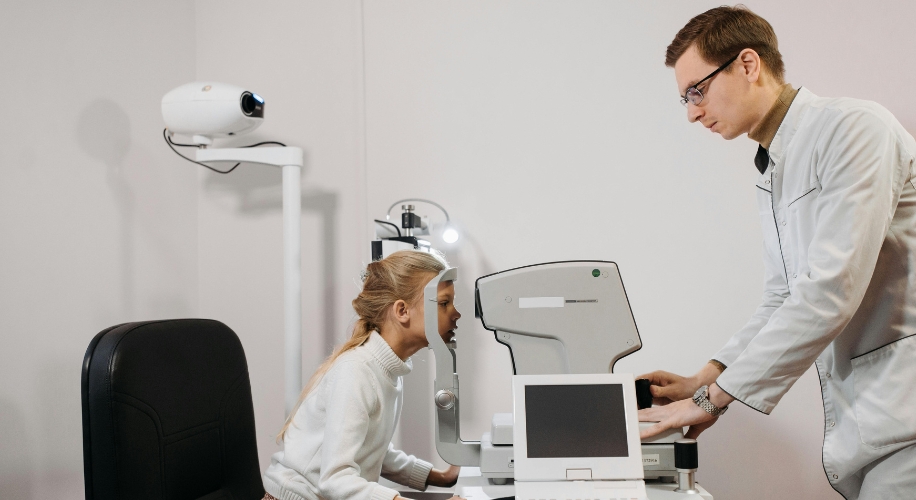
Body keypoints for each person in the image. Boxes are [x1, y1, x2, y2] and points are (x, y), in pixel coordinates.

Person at [638, 6, 916, 499]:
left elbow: (830, 291)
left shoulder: (853, 129)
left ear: (748, 64)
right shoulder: (774, 168)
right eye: (685, 99)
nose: (692, 113)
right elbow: (782, 297)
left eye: (696, 91)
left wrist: (708, 400)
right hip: (871, 424)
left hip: (906, 416)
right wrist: (704, 378)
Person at [262, 250, 464, 500]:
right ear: (402, 311)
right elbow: (335, 479)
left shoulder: (387, 369)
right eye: (444, 303)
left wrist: (441, 477)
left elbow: (372, 450)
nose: (456, 314)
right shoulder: (357, 372)